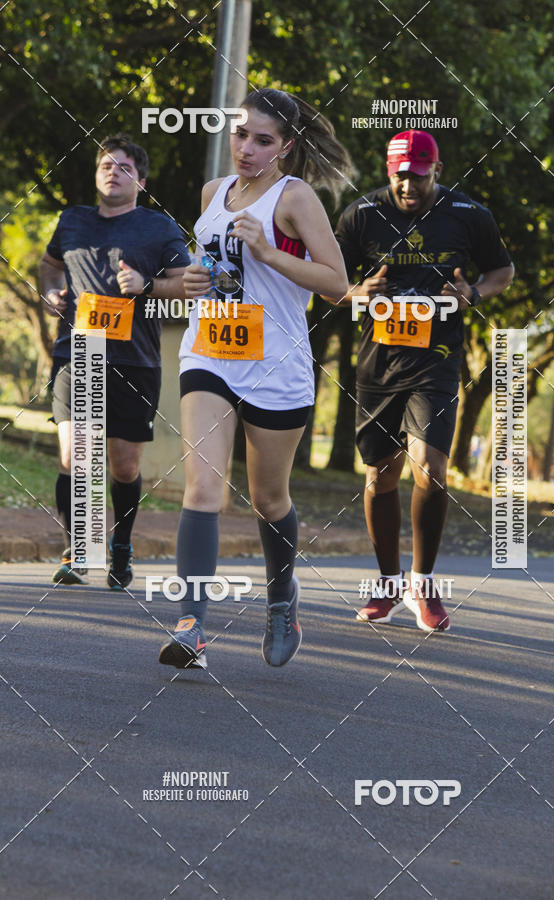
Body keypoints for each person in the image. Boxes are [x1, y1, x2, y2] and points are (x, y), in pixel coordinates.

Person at [158, 88, 351, 670]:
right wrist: (186, 282)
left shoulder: (296, 198)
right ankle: (191, 626)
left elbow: (337, 284)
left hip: (275, 364)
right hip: (209, 352)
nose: (246, 148)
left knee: (269, 500)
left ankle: (281, 599)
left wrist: (268, 253)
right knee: (203, 489)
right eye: (241, 134)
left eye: (262, 140)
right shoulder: (213, 194)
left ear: (286, 147)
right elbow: (209, 271)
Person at [330, 130, 514, 632]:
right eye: (401, 175)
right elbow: (328, 282)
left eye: (420, 174)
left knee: (430, 469)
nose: (409, 185)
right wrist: (358, 292)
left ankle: (423, 582)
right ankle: (389, 584)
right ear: (389, 171)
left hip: (436, 359)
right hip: (377, 362)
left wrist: (473, 292)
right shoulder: (361, 214)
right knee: (379, 477)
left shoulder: (469, 215)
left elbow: (502, 270)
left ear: (438, 170)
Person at [40, 134, 190, 588]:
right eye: (106, 164)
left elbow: (186, 285)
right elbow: (49, 264)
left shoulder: (159, 228)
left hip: (135, 359)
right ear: (95, 174)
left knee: (123, 466)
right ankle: (78, 548)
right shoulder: (72, 220)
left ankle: (120, 543)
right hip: (78, 351)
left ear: (140, 182)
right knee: (75, 455)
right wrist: (50, 290)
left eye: (124, 167)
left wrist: (146, 284)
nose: (113, 171)